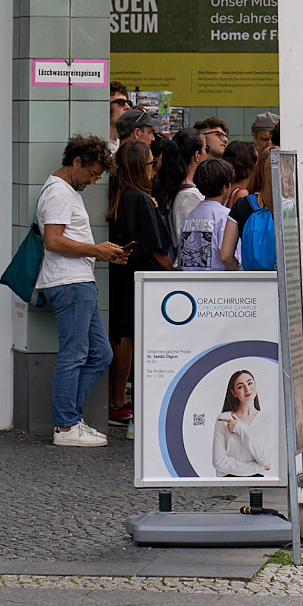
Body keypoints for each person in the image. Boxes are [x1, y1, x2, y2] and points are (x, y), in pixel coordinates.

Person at [35, 135, 120, 447]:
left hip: (77, 281)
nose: (94, 180)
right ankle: (67, 426)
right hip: (68, 282)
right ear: (76, 163)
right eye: (93, 173)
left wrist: (101, 252)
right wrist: (97, 250)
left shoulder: (64, 190)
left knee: (101, 353)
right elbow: (53, 241)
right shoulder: (59, 192)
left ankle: (70, 418)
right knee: (75, 353)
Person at [105, 138, 172, 427]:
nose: (153, 167)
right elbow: (158, 249)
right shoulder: (141, 199)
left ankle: (115, 399)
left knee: (121, 334)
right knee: (130, 338)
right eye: (149, 163)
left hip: (119, 275)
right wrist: (173, 271)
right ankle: (118, 402)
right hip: (141, 277)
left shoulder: (117, 194)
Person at [211, 368, 277, 476]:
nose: (247, 389)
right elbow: (219, 462)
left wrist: (239, 428)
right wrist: (256, 468)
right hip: (229, 482)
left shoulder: (267, 419)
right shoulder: (224, 419)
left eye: (250, 383)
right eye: (240, 386)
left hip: (258, 484)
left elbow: (266, 460)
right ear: (233, 393)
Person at [176, 156, 236, 269]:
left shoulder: (190, 217)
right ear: (224, 187)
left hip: (189, 282)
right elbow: (228, 256)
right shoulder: (226, 216)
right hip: (216, 283)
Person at [155, 125, 206, 249]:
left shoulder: (179, 189)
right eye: (206, 149)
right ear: (197, 155)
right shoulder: (189, 196)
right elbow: (190, 244)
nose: (207, 155)